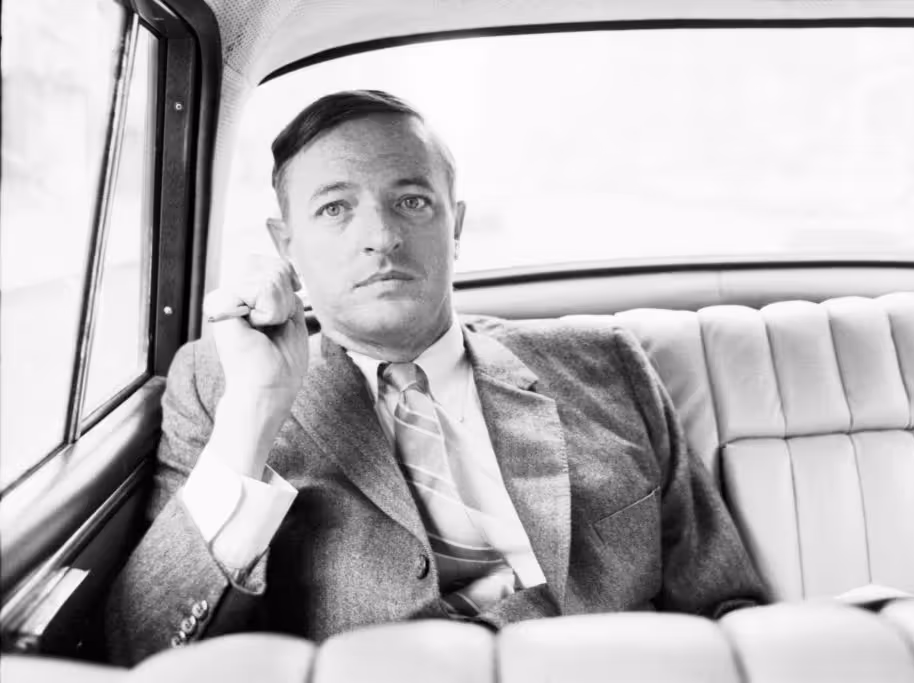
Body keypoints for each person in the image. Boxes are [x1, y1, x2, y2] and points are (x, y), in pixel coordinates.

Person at [104, 90, 767, 665]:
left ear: (456, 226)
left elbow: (724, 605)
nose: (381, 235)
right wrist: (256, 409)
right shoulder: (224, 385)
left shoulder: (605, 362)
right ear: (286, 246)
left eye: (413, 201)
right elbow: (147, 648)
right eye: (335, 208)